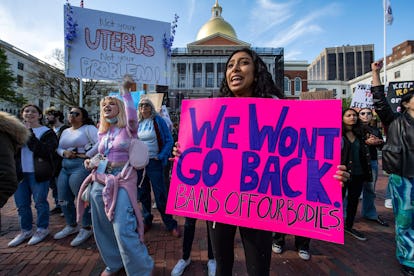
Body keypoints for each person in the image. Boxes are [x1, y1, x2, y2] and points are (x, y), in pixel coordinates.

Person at [173, 48, 350, 275]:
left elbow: (306, 154)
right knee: (222, 266)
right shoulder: (214, 112)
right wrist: (184, 153)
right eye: (230, 65)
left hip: (258, 203)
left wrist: (329, 175)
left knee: (258, 269)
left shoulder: (279, 110)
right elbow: (199, 152)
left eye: (243, 63)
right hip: (219, 198)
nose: (235, 68)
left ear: (256, 72)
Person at [77, 76, 153, 275]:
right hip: (99, 181)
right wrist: (90, 161)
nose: (106, 106)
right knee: (102, 225)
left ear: (119, 107)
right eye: (104, 104)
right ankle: (115, 262)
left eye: (111, 103)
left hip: (123, 181)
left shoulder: (130, 129)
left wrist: (124, 91)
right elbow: (99, 153)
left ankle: (141, 270)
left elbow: (132, 117)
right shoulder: (103, 132)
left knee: (123, 227)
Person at [371, 61, 414, 275]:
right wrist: (375, 73)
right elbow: (379, 101)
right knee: (405, 220)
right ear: (406, 103)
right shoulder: (395, 120)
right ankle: (408, 259)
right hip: (404, 177)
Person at [8, 104, 58, 247]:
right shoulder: (15, 131)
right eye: (26, 111)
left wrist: (29, 134)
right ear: (22, 114)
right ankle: (26, 230)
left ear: (40, 115)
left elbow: (45, 151)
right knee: (22, 204)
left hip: (39, 173)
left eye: (33, 111)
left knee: (40, 202)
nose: (29, 114)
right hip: (20, 173)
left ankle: (42, 229)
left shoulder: (47, 132)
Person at [54, 107, 98, 246]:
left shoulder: (88, 128)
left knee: (81, 197)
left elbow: (100, 143)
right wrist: (63, 153)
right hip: (65, 165)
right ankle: (71, 224)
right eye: (70, 113)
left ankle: (86, 227)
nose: (72, 115)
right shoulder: (66, 131)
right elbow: (58, 147)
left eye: (76, 113)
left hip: (80, 165)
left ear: (83, 117)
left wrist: (88, 154)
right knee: (63, 196)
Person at [137, 97, 180, 237]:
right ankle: (147, 220)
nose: (143, 108)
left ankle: (170, 223)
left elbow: (169, 140)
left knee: (160, 195)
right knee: (143, 194)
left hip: (154, 162)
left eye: (146, 105)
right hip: (139, 164)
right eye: (141, 105)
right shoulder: (138, 123)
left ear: (151, 107)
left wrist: (161, 155)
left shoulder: (158, 121)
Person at [341, 108, 372, 241]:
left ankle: (349, 225)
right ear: (342, 118)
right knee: (338, 200)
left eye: (354, 115)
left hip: (358, 173)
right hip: (342, 174)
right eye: (348, 115)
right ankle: (334, 225)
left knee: (353, 201)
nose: (352, 117)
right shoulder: (338, 134)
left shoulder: (361, 133)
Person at [357, 108, 388, 226]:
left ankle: (369, 212)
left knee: (370, 189)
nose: (366, 116)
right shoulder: (355, 129)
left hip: (372, 162)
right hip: (357, 162)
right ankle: (345, 215)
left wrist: (379, 142)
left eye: (369, 113)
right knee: (351, 190)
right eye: (363, 113)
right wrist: (365, 142)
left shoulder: (375, 130)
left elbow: (380, 147)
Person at [0, 111, 30, 208]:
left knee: (39, 203)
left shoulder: (2, 135)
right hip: (22, 172)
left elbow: (7, 179)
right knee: (22, 206)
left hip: (36, 172)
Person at [45, 108, 69, 215]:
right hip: (51, 163)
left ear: (57, 116)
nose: (47, 117)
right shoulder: (49, 130)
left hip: (61, 162)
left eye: (49, 115)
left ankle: (66, 206)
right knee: (54, 187)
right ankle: (58, 205)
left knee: (62, 188)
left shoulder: (66, 129)